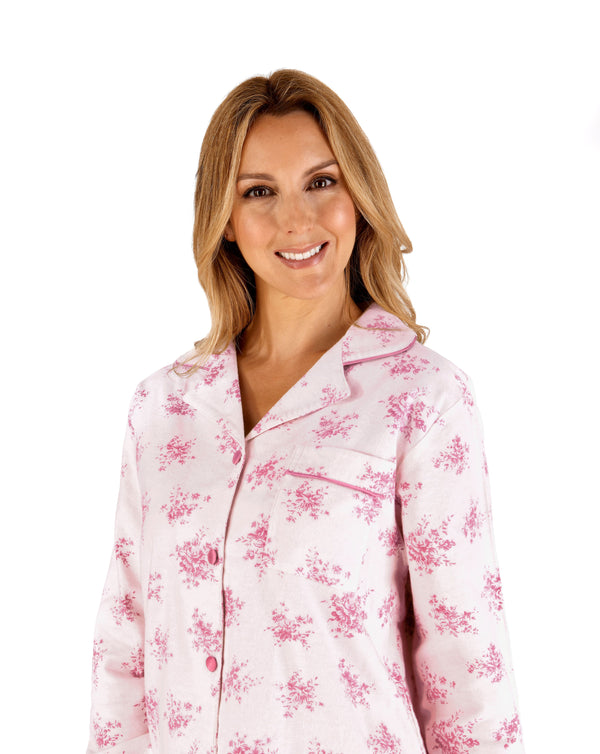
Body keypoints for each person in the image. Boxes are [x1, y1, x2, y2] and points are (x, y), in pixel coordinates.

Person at [87, 69, 524, 754]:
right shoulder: (164, 408)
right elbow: (125, 647)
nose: (297, 220)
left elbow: (469, 677)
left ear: (359, 197)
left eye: (321, 182)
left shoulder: (424, 400)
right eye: (258, 192)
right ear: (225, 222)